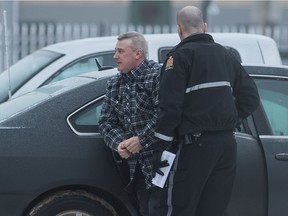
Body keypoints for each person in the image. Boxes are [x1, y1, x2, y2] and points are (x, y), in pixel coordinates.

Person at [150, 6, 260, 216]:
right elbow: (251, 97)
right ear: (205, 26)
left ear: (179, 29)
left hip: (194, 146)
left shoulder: (179, 57)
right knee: (214, 209)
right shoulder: (226, 55)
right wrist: (229, 120)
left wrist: (160, 149)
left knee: (180, 208)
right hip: (227, 146)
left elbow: (169, 108)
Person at [98, 31, 161, 216]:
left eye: (120, 51)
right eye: (115, 51)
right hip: (136, 170)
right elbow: (105, 121)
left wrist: (141, 140)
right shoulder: (114, 83)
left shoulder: (157, 76)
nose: (115, 56)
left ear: (138, 54)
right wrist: (120, 143)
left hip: (162, 164)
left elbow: (166, 115)